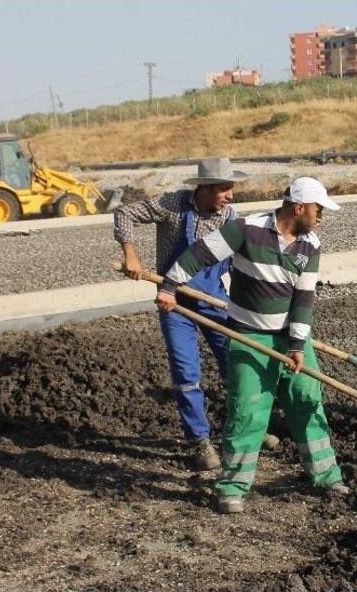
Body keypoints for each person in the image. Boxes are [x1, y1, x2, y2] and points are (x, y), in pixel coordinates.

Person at [157, 177, 349, 514]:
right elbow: (199, 254)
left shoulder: (310, 245)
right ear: (299, 207)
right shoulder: (246, 229)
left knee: (307, 401)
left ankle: (326, 476)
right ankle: (233, 487)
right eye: (318, 209)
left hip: (293, 336)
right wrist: (170, 287)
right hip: (249, 337)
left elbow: (304, 300)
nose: (321, 216)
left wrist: (297, 346)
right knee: (247, 411)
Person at [113, 157, 245, 470]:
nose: (230, 196)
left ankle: (246, 428)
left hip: (213, 298)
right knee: (187, 374)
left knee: (235, 364)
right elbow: (124, 213)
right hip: (173, 301)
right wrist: (131, 256)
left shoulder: (230, 217)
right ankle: (199, 440)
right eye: (224, 189)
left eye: (232, 188)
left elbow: (238, 261)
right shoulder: (171, 205)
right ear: (205, 188)